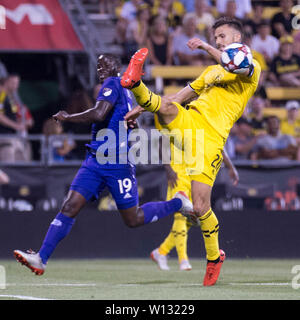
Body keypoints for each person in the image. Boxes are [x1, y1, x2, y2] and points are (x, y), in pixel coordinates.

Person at [13, 54, 193, 275]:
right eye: (98, 65)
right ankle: (41, 258)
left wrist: (67, 117)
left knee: (133, 219)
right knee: (69, 206)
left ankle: (177, 203)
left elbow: (99, 114)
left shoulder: (114, 83)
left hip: (117, 163)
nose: (100, 68)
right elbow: (124, 121)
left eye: (104, 63)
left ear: (116, 66)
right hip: (96, 160)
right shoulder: (126, 91)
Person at [122, 16, 261, 286]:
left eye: (221, 36)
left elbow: (235, 62)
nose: (217, 40)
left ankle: (213, 257)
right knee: (168, 108)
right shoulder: (210, 72)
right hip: (192, 124)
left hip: (211, 140)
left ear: (236, 38)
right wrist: (143, 106)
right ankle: (135, 83)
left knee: (199, 208)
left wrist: (206, 47)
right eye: (215, 37)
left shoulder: (252, 67)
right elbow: (177, 98)